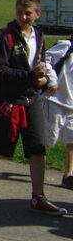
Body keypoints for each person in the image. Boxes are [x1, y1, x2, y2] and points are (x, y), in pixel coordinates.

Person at [0, 0, 66, 215]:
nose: (23, 17)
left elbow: (41, 62)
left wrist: (43, 80)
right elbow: (0, 70)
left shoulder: (40, 36)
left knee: (37, 145)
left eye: (28, 13)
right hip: (9, 98)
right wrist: (28, 76)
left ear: (37, 14)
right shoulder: (6, 38)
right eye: (20, 13)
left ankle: (38, 196)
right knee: (1, 143)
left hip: (32, 97)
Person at [44, 34, 73, 189]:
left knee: (72, 139)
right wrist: (52, 80)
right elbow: (44, 59)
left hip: (72, 104)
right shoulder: (65, 46)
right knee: (49, 139)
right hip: (55, 100)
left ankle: (68, 175)